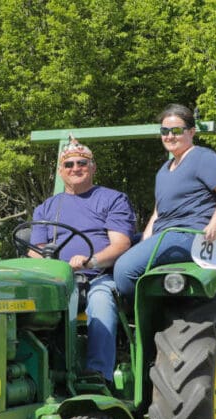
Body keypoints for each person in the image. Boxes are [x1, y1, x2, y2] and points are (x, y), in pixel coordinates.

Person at [30, 136, 136, 381]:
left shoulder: (112, 199)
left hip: (99, 276)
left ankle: (99, 373)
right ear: (60, 171)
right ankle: (39, 372)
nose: (75, 168)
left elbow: (121, 244)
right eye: (69, 165)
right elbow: (35, 249)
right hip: (57, 279)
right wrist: (48, 265)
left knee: (100, 299)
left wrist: (91, 261)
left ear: (93, 167)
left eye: (82, 163)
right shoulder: (47, 207)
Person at [113, 103, 216, 299]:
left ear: (191, 132)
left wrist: (215, 224)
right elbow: (158, 211)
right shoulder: (165, 169)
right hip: (165, 234)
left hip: (189, 234)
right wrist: (145, 240)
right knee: (115, 250)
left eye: (176, 130)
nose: (170, 136)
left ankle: (142, 318)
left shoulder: (201, 157)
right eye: (165, 131)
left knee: (124, 269)